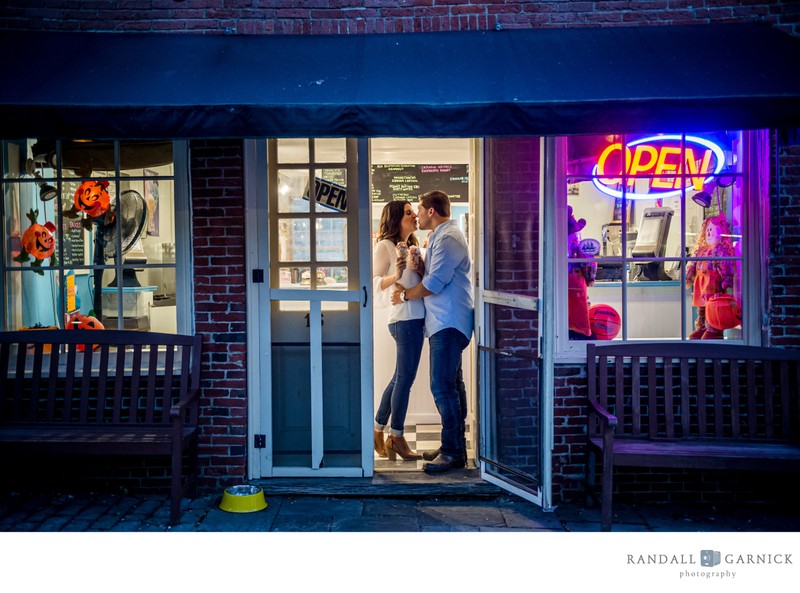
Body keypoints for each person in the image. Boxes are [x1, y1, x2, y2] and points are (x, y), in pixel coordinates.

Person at [391, 190, 473, 473]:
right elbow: (437, 274)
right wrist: (422, 266)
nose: (417, 214)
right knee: (452, 385)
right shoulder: (441, 236)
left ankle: (452, 453)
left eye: (419, 209)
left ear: (431, 212)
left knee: (441, 386)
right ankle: (454, 445)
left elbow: (435, 283)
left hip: (449, 321)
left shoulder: (448, 237)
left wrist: (404, 295)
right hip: (446, 321)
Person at [372, 200, 425, 461]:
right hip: (403, 319)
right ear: (395, 219)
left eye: (414, 211)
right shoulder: (384, 246)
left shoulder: (413, 246)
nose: (415, 215)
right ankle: (397, 437)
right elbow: (372, 281)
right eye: (408, 213)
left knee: (399, 377)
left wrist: (419, 267)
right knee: (405, 379)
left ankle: (378, 428)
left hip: (414, 318)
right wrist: (396, 276)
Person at [685, 213, 735, 339]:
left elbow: (725, 266)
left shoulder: (719, 251)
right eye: (707, 230)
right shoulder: (701, 250)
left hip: (712, 284)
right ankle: (701, 327)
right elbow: (692, 263)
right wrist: (689, 273)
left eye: (711, 229)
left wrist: (726, 281)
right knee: (701, 309)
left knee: (712, 308)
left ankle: (714, 328)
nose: (708, 233)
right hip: (701, 284)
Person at [567, 205, 596, 340]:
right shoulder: (578, 244)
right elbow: (587, 261)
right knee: (579, 310)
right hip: (576, 278)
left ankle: (566, 334)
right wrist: (591, 277)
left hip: (559, 278)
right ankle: (580, 334)